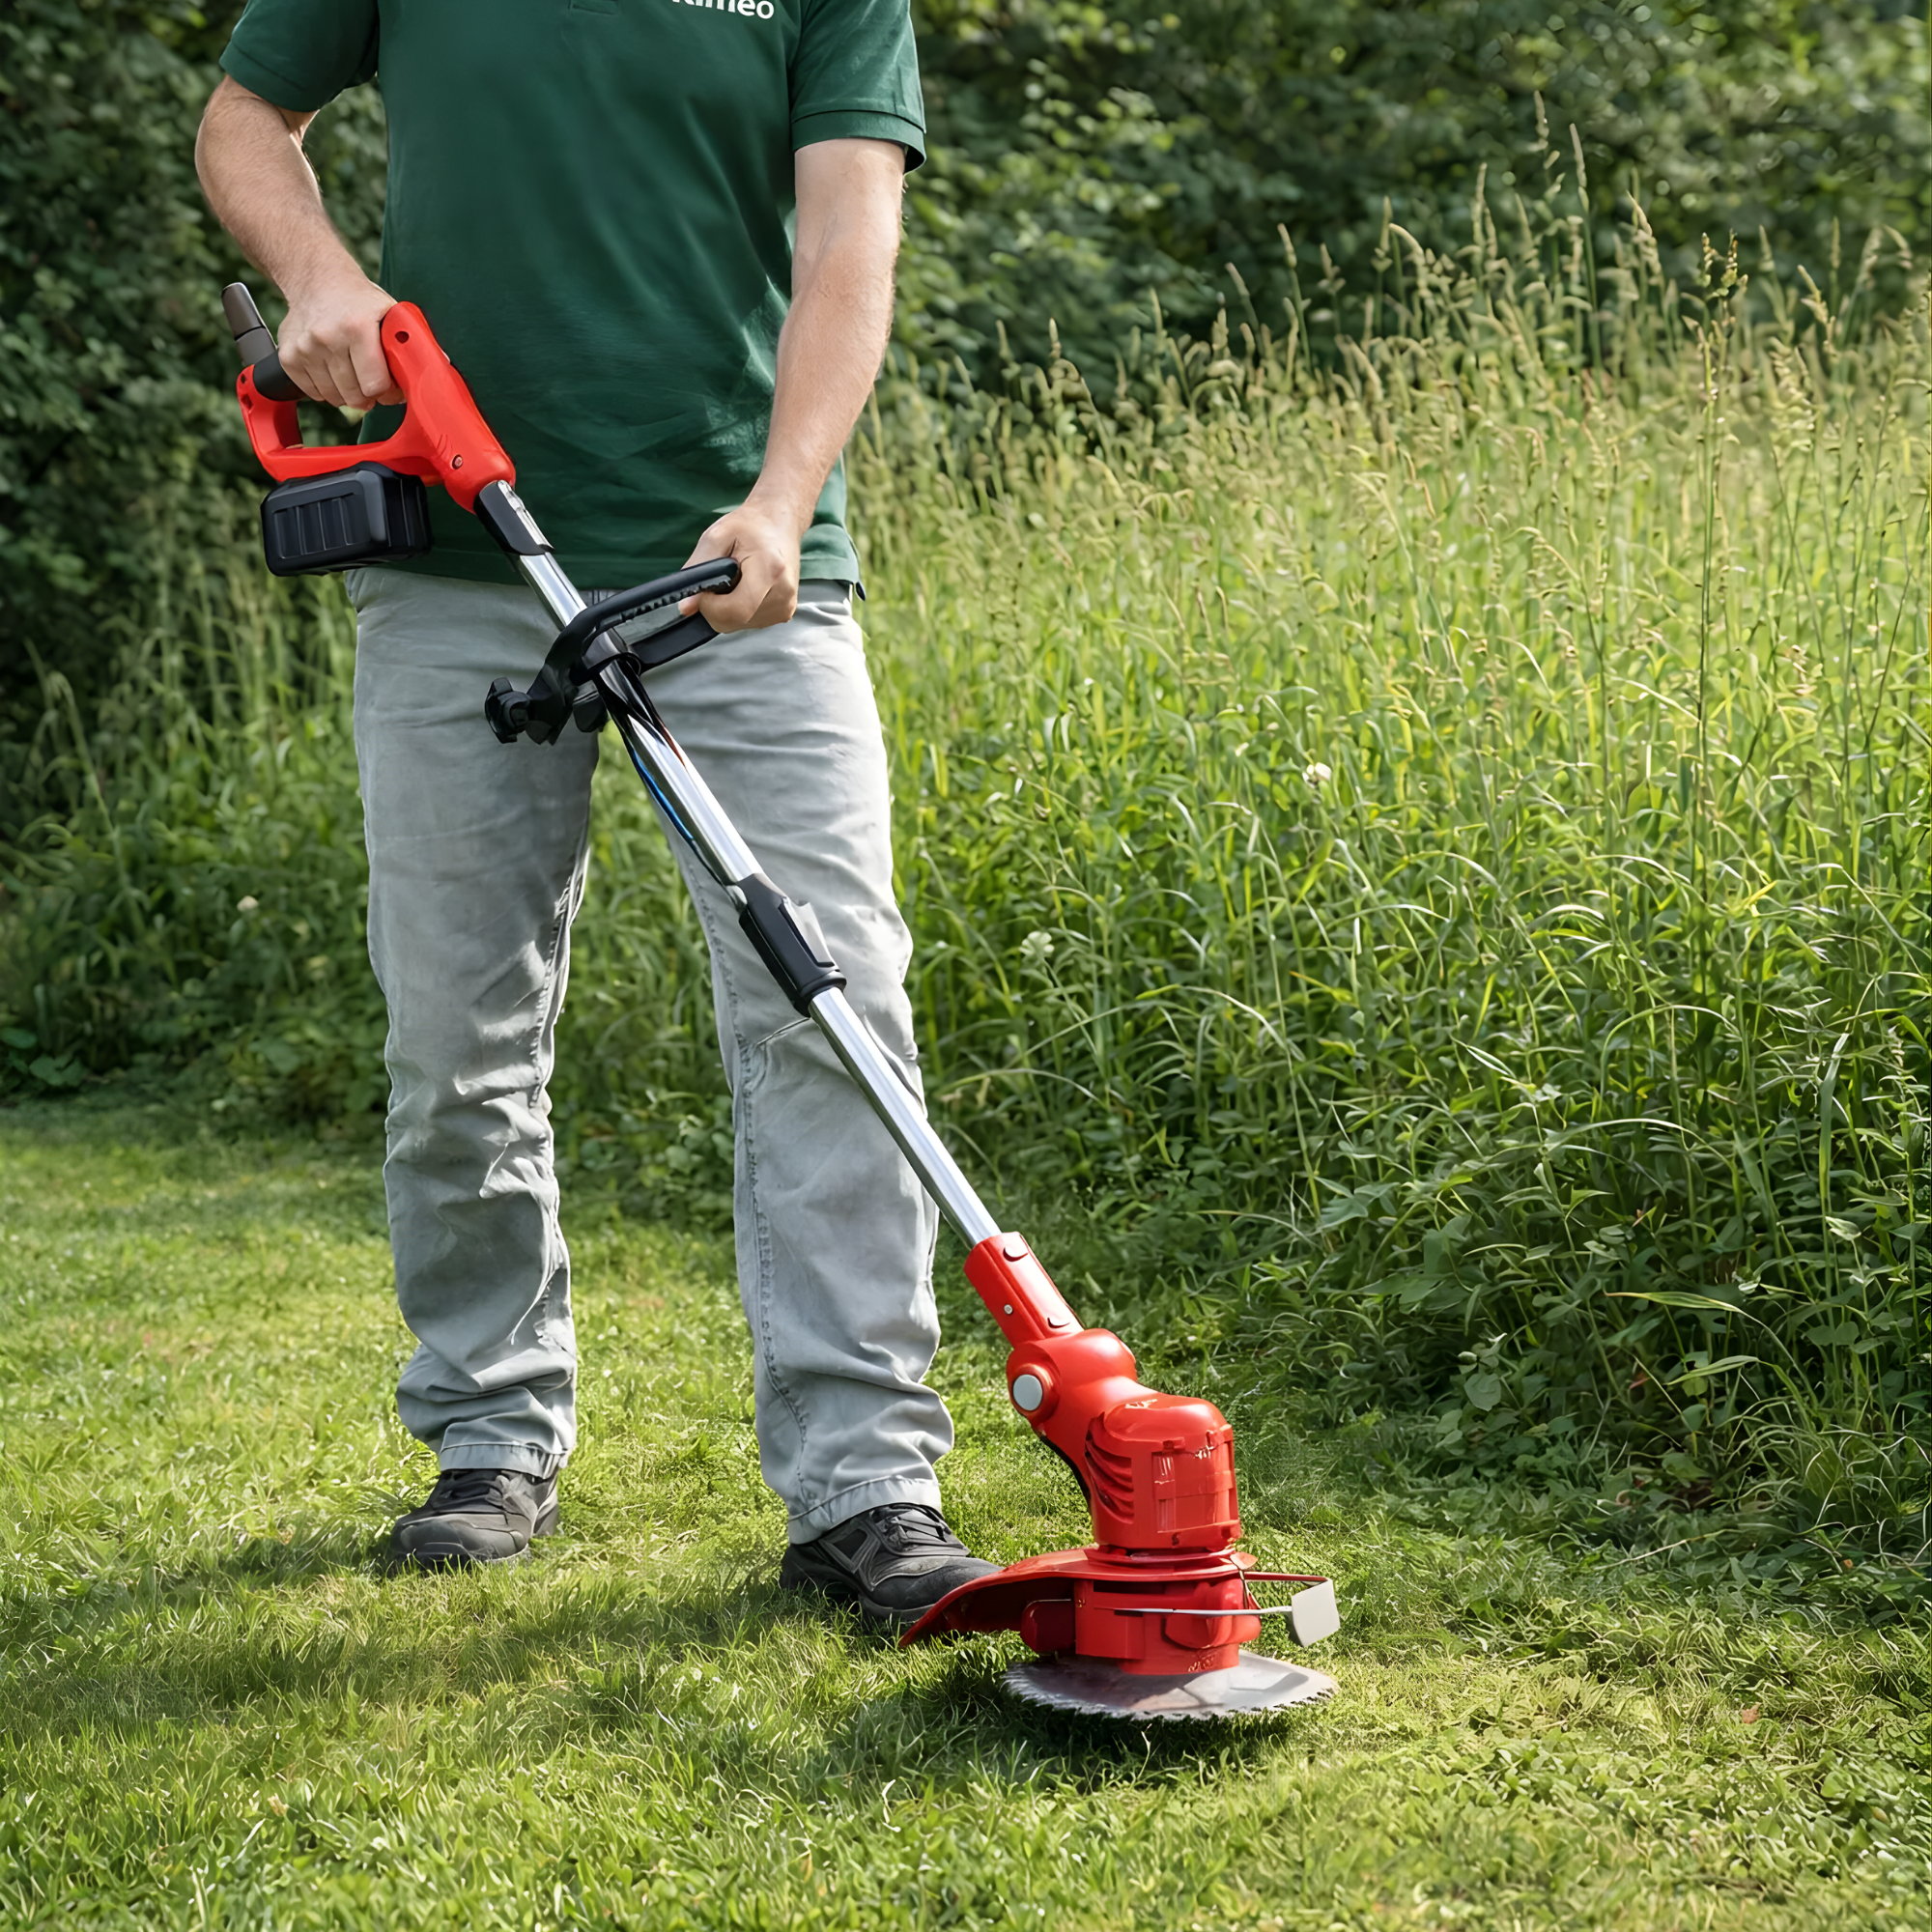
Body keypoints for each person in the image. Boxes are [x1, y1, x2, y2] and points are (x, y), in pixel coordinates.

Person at [194, 0, 996, 1622]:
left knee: (835, 1004)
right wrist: (322, 278)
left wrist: (783, 498)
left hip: (740, 565)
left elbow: (851, 237)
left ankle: (865, 1488)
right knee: (457, 1027)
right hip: (454, 557)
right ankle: (488, 1435)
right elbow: (241, 121)